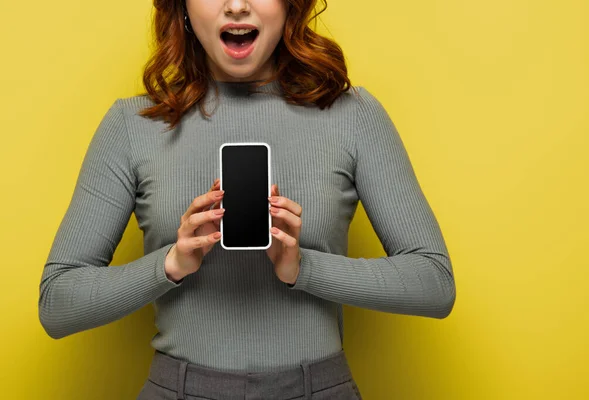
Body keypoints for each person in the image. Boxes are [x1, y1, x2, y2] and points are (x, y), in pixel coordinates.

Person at [38, 0, 456, 398]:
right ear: (181, 7)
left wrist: (302, 267)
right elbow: (57, 303)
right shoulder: (132, 125)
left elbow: (434, 283)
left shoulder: (353, 115)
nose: (236, 5)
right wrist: (171, 263)